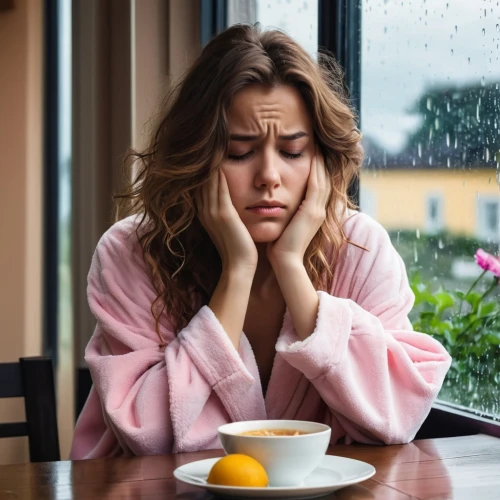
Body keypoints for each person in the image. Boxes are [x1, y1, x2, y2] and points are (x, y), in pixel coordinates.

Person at [70, 24, 451, 459]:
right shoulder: (132, 253)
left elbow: (396, 415)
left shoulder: (360, 249)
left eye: (292, 152)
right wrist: (237, 271)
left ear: (321, 160)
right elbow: (150, 437)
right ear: (195, 155)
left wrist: (291, 267)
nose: (269, 176)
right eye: (238, 152)